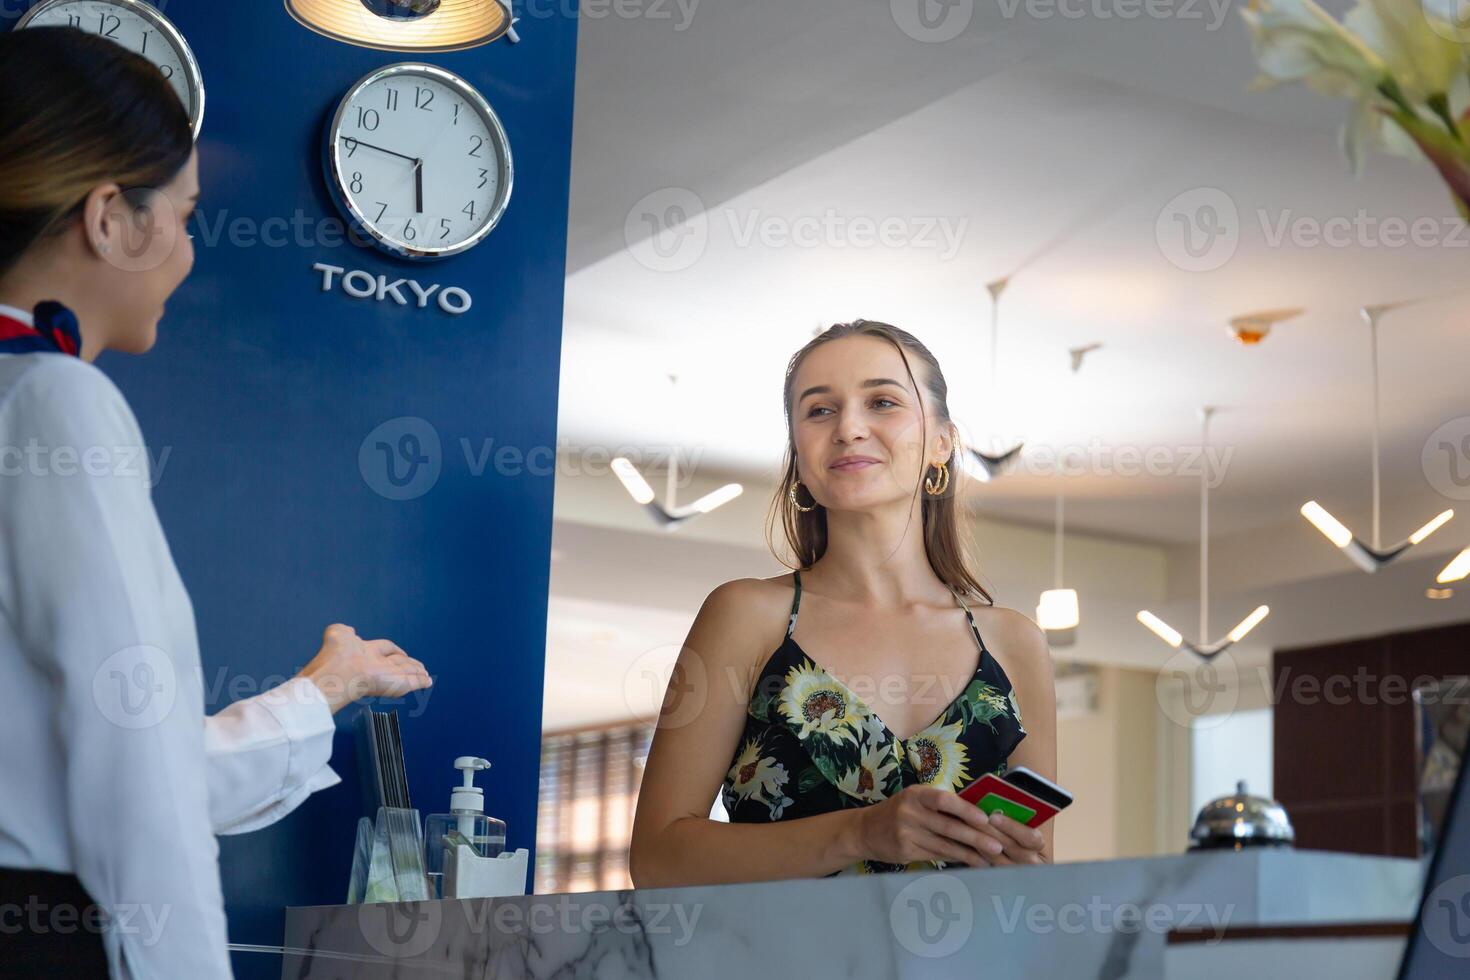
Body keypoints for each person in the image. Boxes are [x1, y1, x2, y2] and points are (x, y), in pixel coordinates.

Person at [0, 26, 431, 979]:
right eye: (186, 216)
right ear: (109, 216)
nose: (190, 254)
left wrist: (321, 689)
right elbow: (137, 781)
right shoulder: (52, 399)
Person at [630, 320, 1058, 886]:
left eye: (882, 402)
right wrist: (859, 833)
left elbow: (1039, 876)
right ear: (799, 454)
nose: (850, 428)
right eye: (820, 410)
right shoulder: (746, 616)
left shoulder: (1015, 643)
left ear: (942, 442)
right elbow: (657, 860)